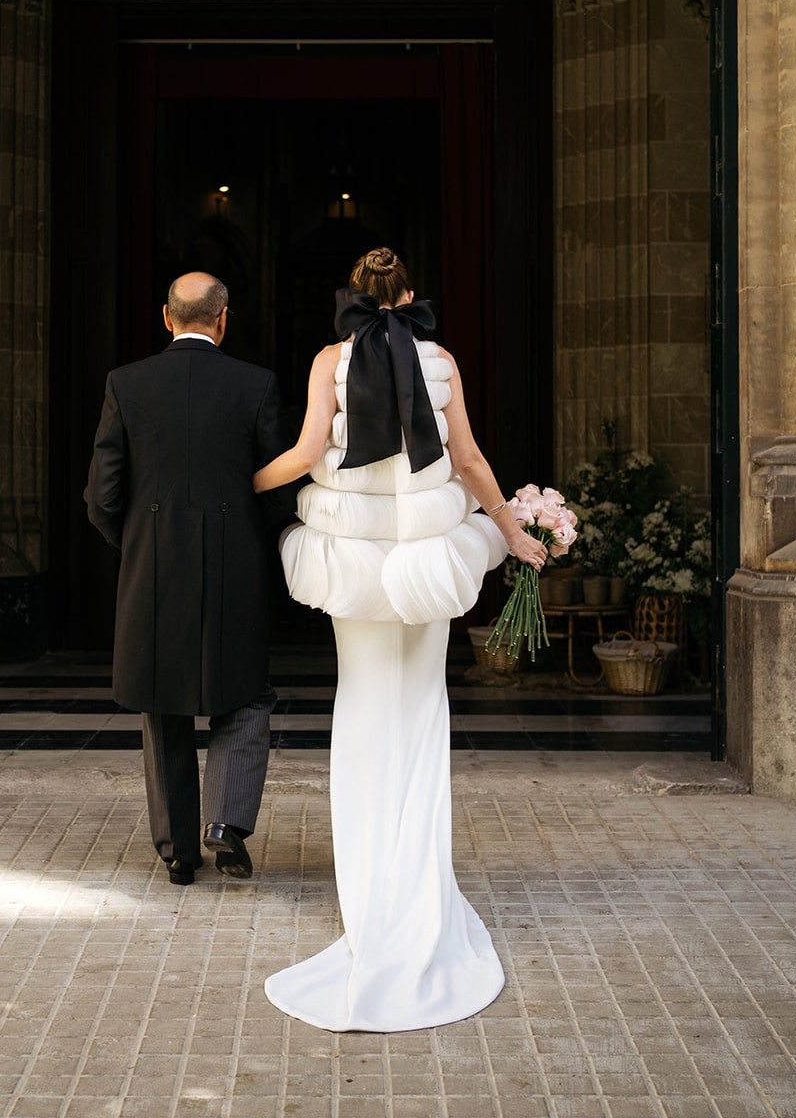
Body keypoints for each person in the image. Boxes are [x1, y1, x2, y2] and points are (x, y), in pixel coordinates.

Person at [255, 247, 548, 1033]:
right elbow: (471, 460)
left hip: (350, 561)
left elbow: (308, 454)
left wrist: (239, 482)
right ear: (411, 295)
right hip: (427, 561)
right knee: (420, 713)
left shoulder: (331, 359)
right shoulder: (440, 359)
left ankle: (372, 904)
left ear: (355, 296)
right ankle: (419, 899)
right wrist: (514, 533)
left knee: (361, 709)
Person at [85, 271, 292, 887]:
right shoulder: (256, 385)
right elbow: (279, 488)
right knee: (246, 694)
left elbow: (102, 497)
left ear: (167, 317)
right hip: (237, 568)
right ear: (223, 319)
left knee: (162, 701)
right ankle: (226, 824)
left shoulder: (126, 384)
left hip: (153, 568)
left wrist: (140, 546)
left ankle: (179, 850)